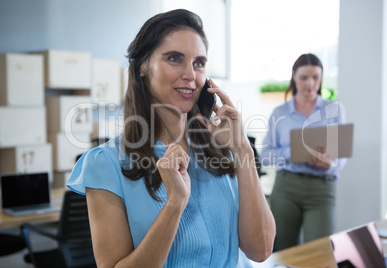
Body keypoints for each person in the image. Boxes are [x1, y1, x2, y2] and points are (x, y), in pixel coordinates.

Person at [67, 9, 275, 267]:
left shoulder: (222, 150)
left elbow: (261, 250)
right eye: (175, 59)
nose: (190, 75)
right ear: (143, 66)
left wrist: (243, 149)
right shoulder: (106, 164)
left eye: (198, 63)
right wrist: (175, 204)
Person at [260, 53, 346, 251]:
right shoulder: (279, 113)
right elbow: (265, 155)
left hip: (322, 189)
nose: (310, 84)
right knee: (284, 252)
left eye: (316, 77)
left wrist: (330, 163)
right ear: (294, 77)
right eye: (304, 77)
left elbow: (340, 157)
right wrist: (295, 150)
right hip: (286, 187)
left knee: (319, 252)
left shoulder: (334, 109)